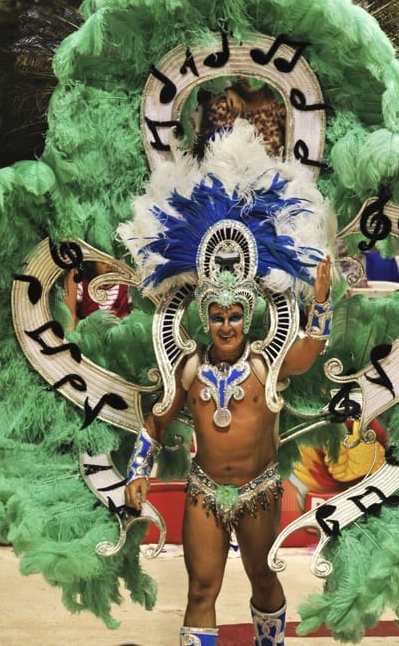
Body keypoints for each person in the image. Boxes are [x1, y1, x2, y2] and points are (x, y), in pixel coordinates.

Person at [125, 255, 332, 646]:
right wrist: (138, 470)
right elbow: (157, 423)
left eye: (234, 316)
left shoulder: (265, 362)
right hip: (204, 493)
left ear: (247, 318)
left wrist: (321, 302)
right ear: (206, 320)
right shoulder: (189, 366)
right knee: (201, 590)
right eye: (217, 317)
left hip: (259, 492)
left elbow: (309, 352)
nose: (225, 326)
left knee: (264, 579)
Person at [199, 76, 286, 157]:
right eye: (244, 71)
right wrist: (226, 90)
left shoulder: (281, 107)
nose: (248, 77)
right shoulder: (224, 106)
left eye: (254, 69)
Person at [64, 260, 132, 330]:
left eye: (113, 262)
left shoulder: (125, 286)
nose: (110, 266)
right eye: (103, 262)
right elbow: (70, 315)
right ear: (93, 265)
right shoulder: (83, 286)